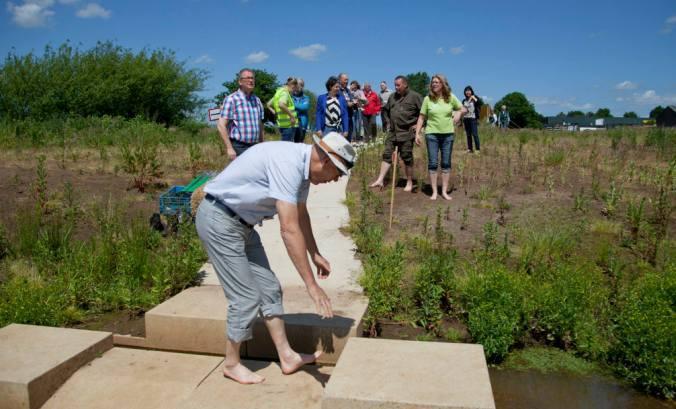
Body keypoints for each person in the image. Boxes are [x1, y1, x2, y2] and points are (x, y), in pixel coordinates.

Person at [196, 132, 356, 385]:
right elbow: (289, 229)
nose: (333, 180)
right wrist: (311, 285)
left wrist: (315, 254)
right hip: (219, 220)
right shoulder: (288, 163)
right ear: (325, 161)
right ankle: (231, 363)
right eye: (336, 174)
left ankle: (287, 356)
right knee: (245, 297)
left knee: (269, 288)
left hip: (243, 225)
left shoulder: (303, 170)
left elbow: (301, 215)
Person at [415, 75, 466, 201]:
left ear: (443, 84)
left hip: (448, 135)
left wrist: (459, 113)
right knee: (433, 163)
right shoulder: (428, 99)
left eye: (437, 82)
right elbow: (421, 117)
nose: (434, 84)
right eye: (433, 82)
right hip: (431, 134)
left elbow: (463, 108)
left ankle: (444, 191)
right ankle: (434, 192)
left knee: (446, 163)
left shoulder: (450, 97)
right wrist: (417, 133)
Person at [370, 75, 422, 192]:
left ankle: (409, 181)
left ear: (405, 84)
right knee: (387, 154)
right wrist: (388, 122)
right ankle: (380, 179)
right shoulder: (392, 97)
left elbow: (424, 113)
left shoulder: (415, 97)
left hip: (407, 132)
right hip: (393, 132)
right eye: (395, 85)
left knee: (407, 157)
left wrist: (419, 126)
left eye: (398, 85)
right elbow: (386, 110)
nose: (396, 87)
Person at [217, 68, 265, 160]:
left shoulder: (257, 100)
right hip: (239, 146)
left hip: (254, 146)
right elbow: (221, 125)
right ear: (240, 82)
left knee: (255, 173)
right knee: (244, 174)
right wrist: (229, 148)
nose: (251, 80)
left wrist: (262, 145)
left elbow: (260, 125)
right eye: (247, 78)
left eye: (252, 78)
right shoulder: (231, 99)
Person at [267, 77, 299, 142]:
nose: (293, 91)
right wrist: (292, 116)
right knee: (287, 148)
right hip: (288, 126)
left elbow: (268, 104)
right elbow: (281, 104)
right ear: (292, 85)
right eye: (294, 89)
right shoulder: (285, 93)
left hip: (282, 125)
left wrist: (273, 111)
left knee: (284, 146)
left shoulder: (278, 93)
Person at [462, 85, 483, 154]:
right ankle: (470, 148)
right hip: (466, 119)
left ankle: (477, 149)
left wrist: (474, 98)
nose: (468, 92)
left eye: (469, 90)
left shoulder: (475, 98)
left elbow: (480, 104)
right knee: (468, 135)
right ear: (465, 92)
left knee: (475, 134)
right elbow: (464, 108)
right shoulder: (464, 100)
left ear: (471, 91)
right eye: (466, 91)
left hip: (473, 119)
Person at [338, 73, 357, 142]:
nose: (347, 81)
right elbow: (341, 103)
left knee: (349, 135)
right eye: (345, 80)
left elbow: (352, 100)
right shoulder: (337, 90)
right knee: (342, 137)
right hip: (341, 117)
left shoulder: (347, 90)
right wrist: (348, 103)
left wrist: (355, 103)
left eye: (347, 80)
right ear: (340, 80)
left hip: (349, 115)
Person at [292, 78, 310, 143]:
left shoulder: (306, 97)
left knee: (299, 144)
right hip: (291, 124)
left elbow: (305, 107)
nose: (299, 87)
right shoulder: (290, 96)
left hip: (303, 125)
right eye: (297, 85)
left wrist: (293, 105)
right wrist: (299, 106)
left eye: (301, 85)